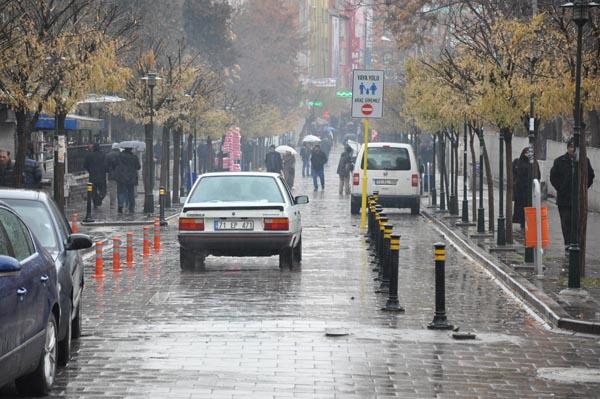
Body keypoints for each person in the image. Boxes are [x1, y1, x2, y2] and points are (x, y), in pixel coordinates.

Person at [550, 138, 595, 255]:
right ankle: (568, 244)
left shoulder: (584, 160)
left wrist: (583, 188)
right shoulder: (559, 161)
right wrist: (561, 188)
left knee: (577, 222)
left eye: (574, 147)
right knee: (566, 222)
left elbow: (590, 175)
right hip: (564, 199)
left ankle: (576, 243)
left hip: (578, 198)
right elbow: (553, 177)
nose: (572, 149)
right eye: (570, 147)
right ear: (567, 148)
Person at [512, 147, 540, 229]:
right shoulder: (518, 162)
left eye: (529, 153)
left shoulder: (534, 163)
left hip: (530, 190)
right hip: (520, 190)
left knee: (529, 207)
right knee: (521, 207)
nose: (527, 155)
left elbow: (538, 175)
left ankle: (528, 223)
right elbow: (514, 174)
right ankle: (522, 223)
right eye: (526, 153)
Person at [113, 146, 141, 214]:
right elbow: (138, 167)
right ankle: (131, 208)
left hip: (121, 177)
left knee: (121, 192)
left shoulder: (119, 156)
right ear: (131, 149)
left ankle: (120, 206)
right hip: (131, 178)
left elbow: (114, 164)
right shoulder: (134, 157)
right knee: (131, 193)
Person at [84, 143, 107, 208]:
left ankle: (95, 204)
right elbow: (106, 165)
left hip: (92, 177)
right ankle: (99, 199)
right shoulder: (103, 155)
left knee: (93, 191)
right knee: (103, 191)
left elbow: (85, 166)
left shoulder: (89, 155)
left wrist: (90, 171)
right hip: (102, 177)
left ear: (93, 148)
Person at [105, 143, 121, 210]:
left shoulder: (108, 155)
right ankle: (121, 204)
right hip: (121, 175)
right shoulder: (121, 155)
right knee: (120, 190)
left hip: (111, 175)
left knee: (112, 190)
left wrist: (108, 171)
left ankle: (112, 204)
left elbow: (105, 166)